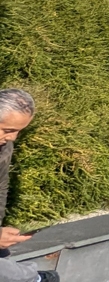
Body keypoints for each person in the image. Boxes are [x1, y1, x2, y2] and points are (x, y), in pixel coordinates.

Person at [0, 89, 57, 282]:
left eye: (18, 131)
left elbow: (0, 186)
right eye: (8, 130)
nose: (13, 137)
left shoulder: (3, 146)